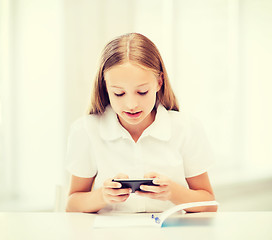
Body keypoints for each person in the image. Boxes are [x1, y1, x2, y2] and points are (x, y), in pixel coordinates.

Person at [65, 33, 217, 213]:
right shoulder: (86, 130)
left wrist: (173, 192)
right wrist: (102, 196)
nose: (131, 105)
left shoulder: (186, 128)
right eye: (119, 93)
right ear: (105, 88)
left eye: (142, 92)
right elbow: (72, 205)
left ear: (159, 82)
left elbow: (209, 204)